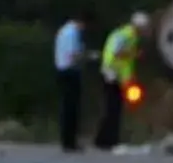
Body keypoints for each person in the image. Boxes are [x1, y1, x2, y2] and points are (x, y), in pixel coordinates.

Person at [94, 11, 151, 152]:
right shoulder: (126, 35)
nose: (145, 31)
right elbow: (117, 53)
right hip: (111, 73)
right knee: (113, 108)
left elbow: (126, 63)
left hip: (116, 75)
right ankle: (109, 141)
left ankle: (103, 139)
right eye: (144, 28)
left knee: (114, 107)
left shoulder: (129, 35)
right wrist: (134, 54)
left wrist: (129, 78)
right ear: (138, 26)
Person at [55, 12, 90, 153]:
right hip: (70, 71)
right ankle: (70, 142)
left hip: (61, 70)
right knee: (72, 108)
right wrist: (87, 57)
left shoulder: (63, 31)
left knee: (66, 106)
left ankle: (67, 140)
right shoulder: (72, 33)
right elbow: (74, 55)